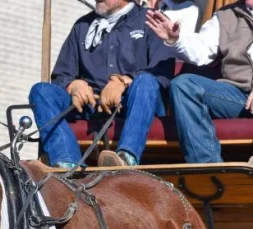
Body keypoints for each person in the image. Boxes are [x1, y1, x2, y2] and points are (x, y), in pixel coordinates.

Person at [29, 0, 176, 168]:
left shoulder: (151, 20)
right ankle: (67, 163)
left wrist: (123, 82)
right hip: (92, 105)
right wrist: (73, 86)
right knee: (41, 91)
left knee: (146, 81)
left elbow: (163, 74)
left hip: (138, 103)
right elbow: (61, 76)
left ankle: (126, 157)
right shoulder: (82, 26)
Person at [146, 0, 253, 163]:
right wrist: (176, 40)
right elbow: (201, 50)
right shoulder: (225, 16)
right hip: (237, 97)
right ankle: (208, 168)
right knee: (183, 85)